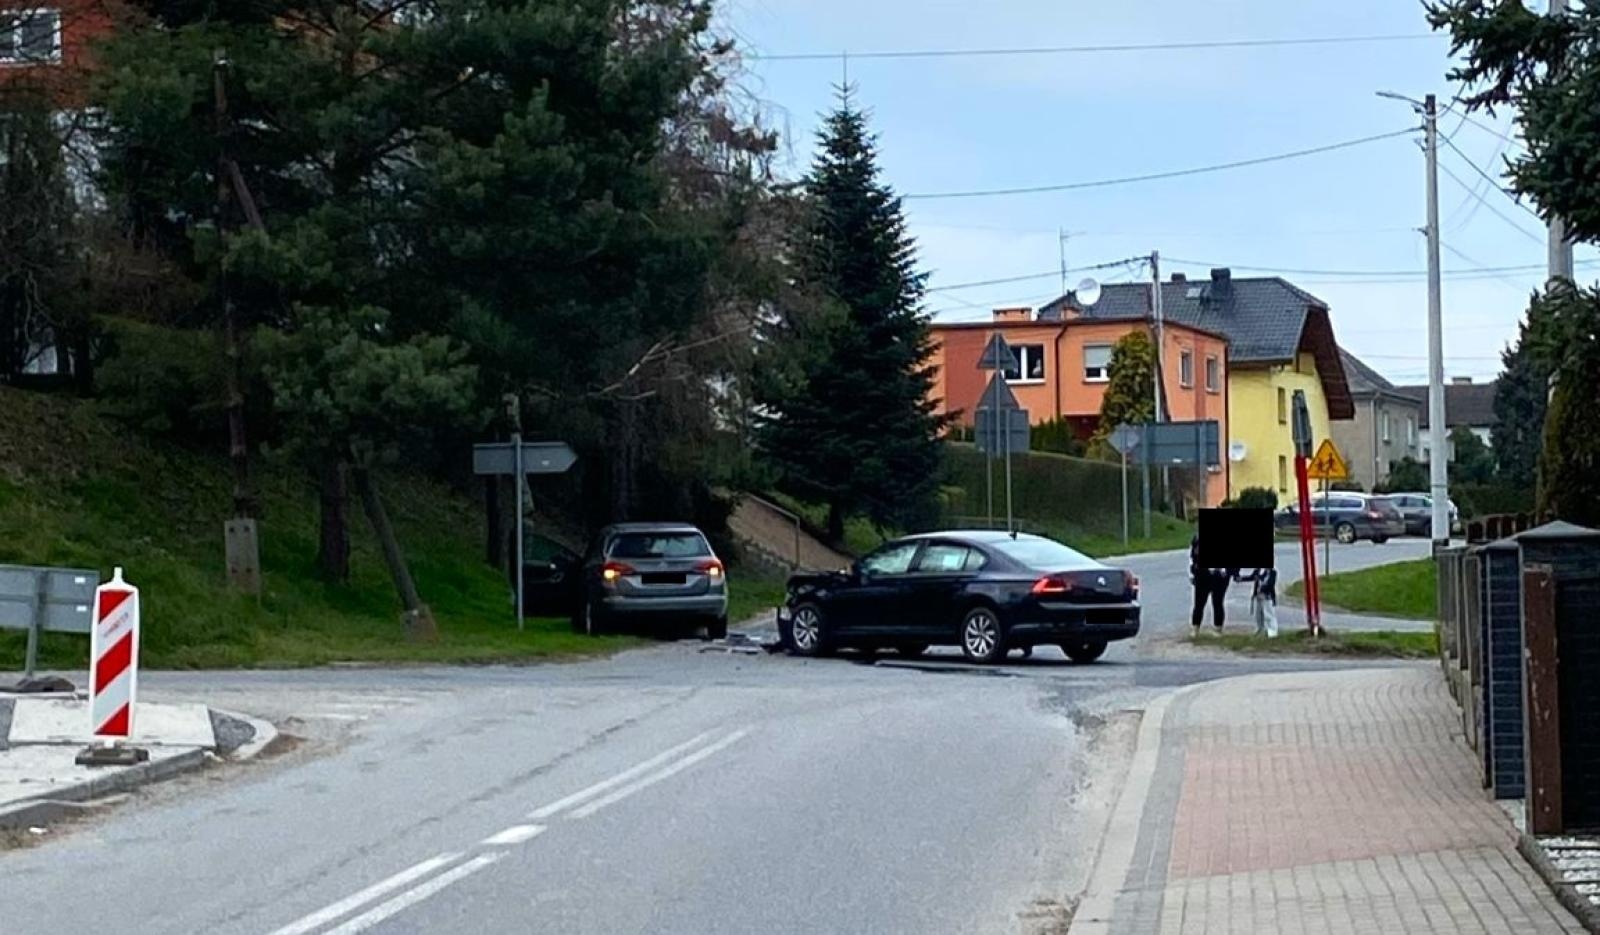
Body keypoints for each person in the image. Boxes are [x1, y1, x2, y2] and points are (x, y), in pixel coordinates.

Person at [1188, 535, 1235, 633]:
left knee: (1217, 602)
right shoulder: (1197, 541)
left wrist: (1226, 571)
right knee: (1199, 604)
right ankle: (1195, 628)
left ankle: (1218, 628)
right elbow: (1192, 561)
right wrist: (1192, 575)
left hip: (1220, 578)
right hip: (1203, 577)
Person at [1236, 567, 1279, 638]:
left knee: (1269, 615)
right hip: (1258, 596)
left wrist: (1262, 589)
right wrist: (1241, 579)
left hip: (1267, 596)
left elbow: (1271, 584)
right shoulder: (1258, 570)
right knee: (1258, 614)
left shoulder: (1272, 572)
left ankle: (1272, 632)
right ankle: (1260, 629)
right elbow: (1251, 577)